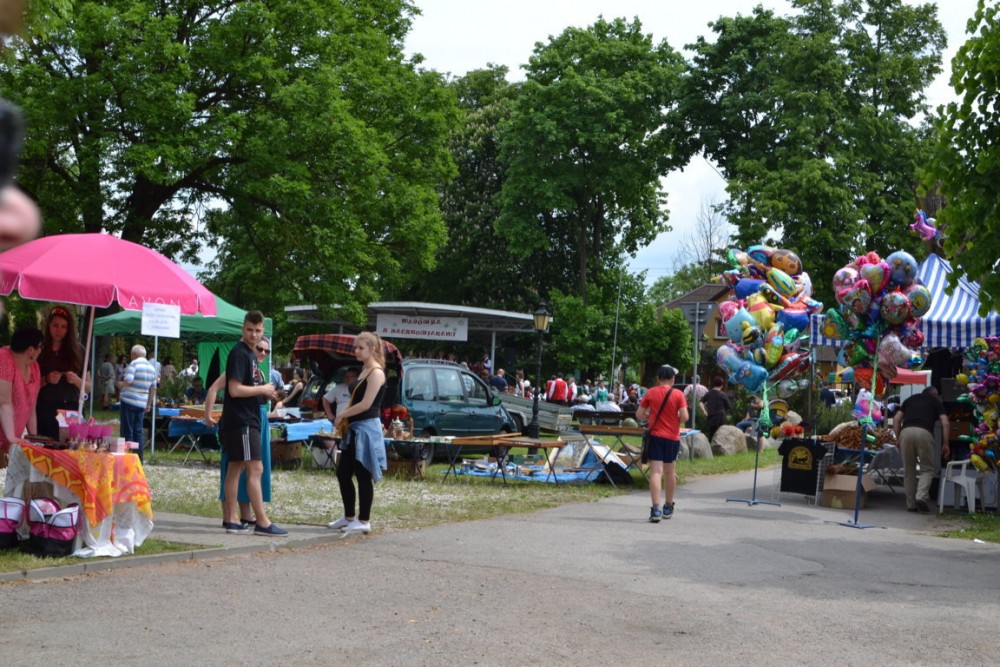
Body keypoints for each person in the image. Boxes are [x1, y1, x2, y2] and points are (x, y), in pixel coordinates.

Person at [219, 311, 286, 536]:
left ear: (263, 331)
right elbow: (234, 390)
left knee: (235, 468)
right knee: (255, 468)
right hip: (243, 421)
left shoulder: (249, 354)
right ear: (243, 329)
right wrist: (262, 389)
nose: (254, 335)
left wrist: (263, 393)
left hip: (243, 419)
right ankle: (262, 522)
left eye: (258, 331)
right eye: (250, 330)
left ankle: (232, 519)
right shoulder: (240, 353)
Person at [206, 336, 275, 528]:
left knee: (250, 468)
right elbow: (214, 388)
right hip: (241, 421)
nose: (262, 353)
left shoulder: (257, 370)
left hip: (257, 419)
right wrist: (208, 414)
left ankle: (245, 514)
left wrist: (267, 395)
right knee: (237, 466)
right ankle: (231, 515)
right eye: (259, 348)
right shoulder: (238, 363)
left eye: (266, 351)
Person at [328, 331, 388, 535]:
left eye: (361, 348)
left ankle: (364, 520)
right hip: (355, 428)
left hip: (366, 429)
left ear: (372, 349)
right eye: (355, 347)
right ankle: (349, 516)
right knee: (343, 472)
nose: (356, 351)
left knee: (363, 474)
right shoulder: (364, 369)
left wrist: (342, 414)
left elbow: (366, 404)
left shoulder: (376, 373)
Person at [637, 365, 689, 523]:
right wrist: (675, 419)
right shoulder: (678, 394)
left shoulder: (651, 392)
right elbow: (685, 417)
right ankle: (668, 505)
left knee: (656, 472)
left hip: (656, 436)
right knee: (670, 472)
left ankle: (655, 509)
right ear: (673, 379)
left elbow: (639, 414)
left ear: (658, 379)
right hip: (672, 437)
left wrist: (650, 416)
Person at [893, 386, 950, 513]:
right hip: (925, 433)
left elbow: (896, 419)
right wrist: (945, 443)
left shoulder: (910, 399)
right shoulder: (936, 402)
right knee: (927, 469)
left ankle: (911, 504)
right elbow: (945, 423)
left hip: (906, 432)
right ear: (934, 394)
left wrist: (898, 438)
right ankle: (921, 496)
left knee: (909, 471)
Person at [35, 306, 89, 439]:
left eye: (63, 327)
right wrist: (46, 379)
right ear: (48, 325)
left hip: (72, 410)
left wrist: (76, 380)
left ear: (69, 329)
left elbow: (88, 388)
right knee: (46, 446)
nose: (59, 330)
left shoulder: (79, 351)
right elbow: (29, 384)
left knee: (71, 447)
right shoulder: (39, 349)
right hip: (46, 409)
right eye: (55, 325)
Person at [0, 326, 43, 466]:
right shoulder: (4, 358)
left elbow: (31, 407)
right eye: (40, 346)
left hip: (8, 440)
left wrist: (34, 439)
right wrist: (11, 437)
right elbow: (4, 403)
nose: (41, 350)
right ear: (31, 350)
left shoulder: (35, 367)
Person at [119, 344, 157, 462]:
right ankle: (138, 458)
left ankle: (127, 458)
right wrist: (149, 404)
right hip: (142, 403)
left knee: (127, 430)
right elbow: (153, 388)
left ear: (134, 354)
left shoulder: (134, 364)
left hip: (129, 400)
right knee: (138, 430)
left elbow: (128, 380)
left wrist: (119, 384)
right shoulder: (152, 368)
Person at [700, 376, 732, 441]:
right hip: (721, 417)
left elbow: (701, 402)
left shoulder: (709, 393)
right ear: (721, 385)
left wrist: (704, 411)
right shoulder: (723, 395)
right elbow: (728, 406)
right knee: (721, 435)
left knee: (711, 435)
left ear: (713, 384)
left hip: (711, 417)